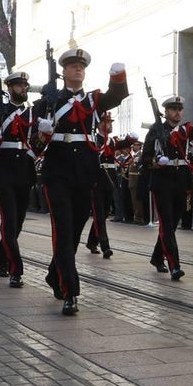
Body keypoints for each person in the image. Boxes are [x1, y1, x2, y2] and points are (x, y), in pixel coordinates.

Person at [38, 49, 129, 314]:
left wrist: (118, 76)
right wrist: (42, 134)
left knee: (75, 231)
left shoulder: (93, 100)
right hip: (58, 171)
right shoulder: (48, 101)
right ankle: (71, 292)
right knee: (63, 231)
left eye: (82, 66)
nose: (78, 69)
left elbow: (116, 96)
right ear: (63, 71)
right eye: (73, 66)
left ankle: (55, 274)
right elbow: (35, 145)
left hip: (85, 172)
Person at [141, 95, 193, 281]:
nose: (177, 113)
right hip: (162, 181)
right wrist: (156, 162)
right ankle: (175, 266)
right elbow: (145, 157)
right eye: (173, 109)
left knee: (172, 224)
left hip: (180, 180)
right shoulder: (156, 130)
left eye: (180, 109)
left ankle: (157, 258)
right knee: (166, 223)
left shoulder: (185, 130)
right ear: (166, 112)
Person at [0, 72, 40, 288]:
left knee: (18, 222)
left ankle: (2, 257)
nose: (23, 88)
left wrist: (35, 150)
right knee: (9, 220)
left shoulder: (32, 113)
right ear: (9, 88)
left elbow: (38, 141)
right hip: (4, 171)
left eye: (25, 85)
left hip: (25, 170)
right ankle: (15, 269)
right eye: (19, 85)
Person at [85, 117, 133, 259]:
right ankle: (105, 246)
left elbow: (122, 145)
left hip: (109, 180)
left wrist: (130, 139)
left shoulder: (111, 141)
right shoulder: (93, 140)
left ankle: (92, 242)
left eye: (111, 122)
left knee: (104, 213)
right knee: (99, 213)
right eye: (107, 122)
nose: (110, 125)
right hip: (97, 179)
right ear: (99, 124)